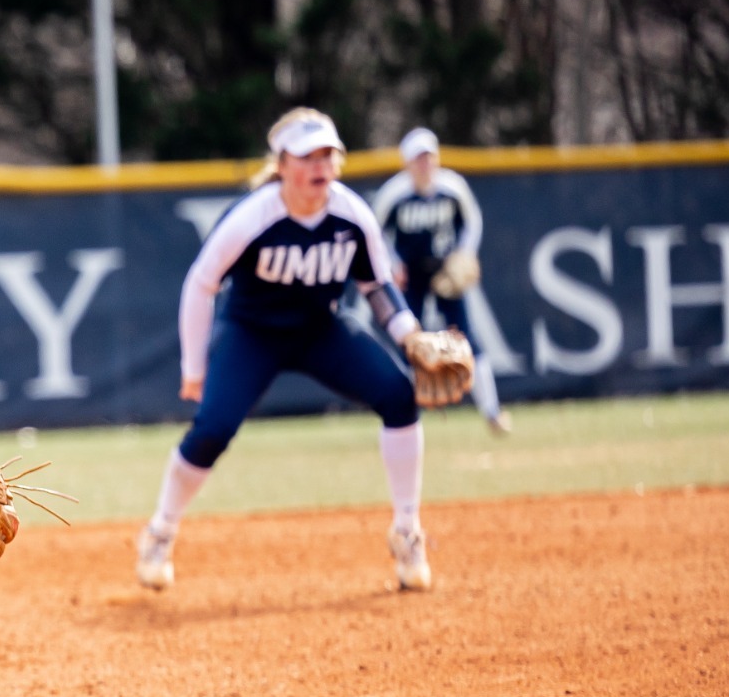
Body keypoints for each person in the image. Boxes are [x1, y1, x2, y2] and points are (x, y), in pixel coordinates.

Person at [137, 108, 434, 593]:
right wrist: (194, 368)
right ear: (282, 165)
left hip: (322, 329)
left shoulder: (351, 214)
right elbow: (201, 283)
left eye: (327, 155)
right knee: (212, 429)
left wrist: (410, 337)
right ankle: (160, 533)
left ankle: (407, 532)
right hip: (253, 333)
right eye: (306, 156)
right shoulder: (255, 217)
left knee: (400, 396)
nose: (319, 166)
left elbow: (377, 285)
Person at [371, 127, 510, 432]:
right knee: (408, 343)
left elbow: (472, 221)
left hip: (446, 272)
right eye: (418, 159)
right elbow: (375, 232)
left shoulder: (452, 187)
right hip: (412, 277)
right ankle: (405, 412)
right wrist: (392, 264)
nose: (425, 164)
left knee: (467, 338)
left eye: (429, 157)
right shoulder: (395, 194)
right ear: (407, 163)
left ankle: (491, 411)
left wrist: (464, 254)